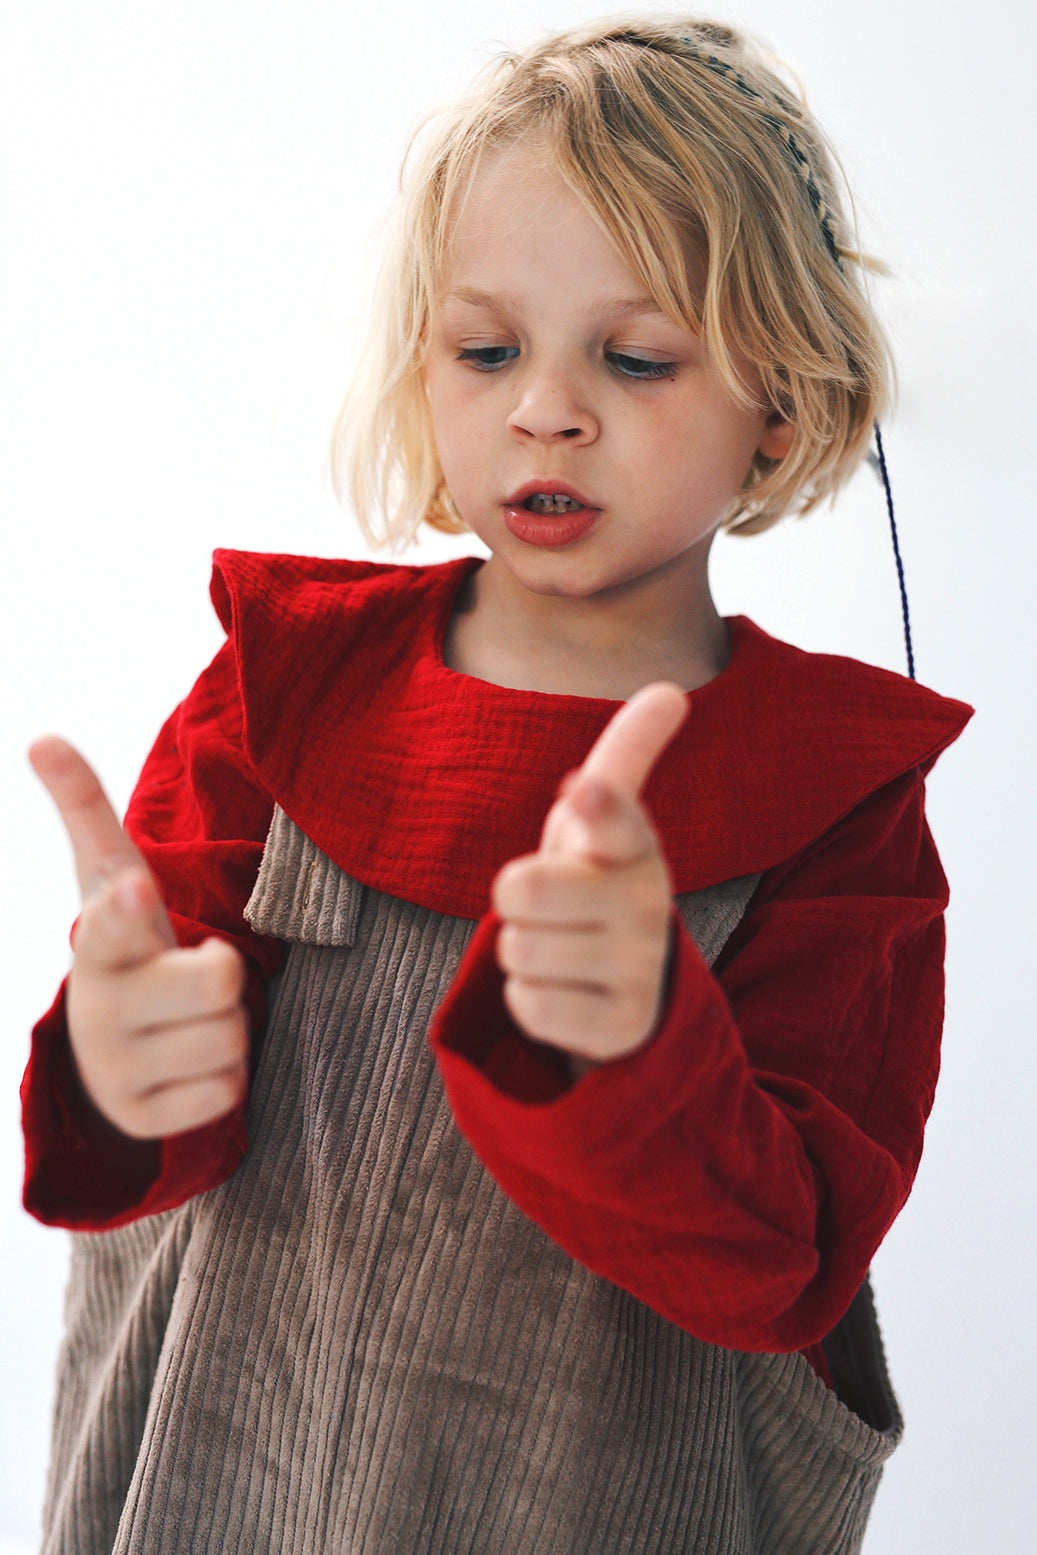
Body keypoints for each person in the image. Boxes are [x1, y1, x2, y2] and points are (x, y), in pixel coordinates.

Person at [22, 15, 972, 1555]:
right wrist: (125, 1063)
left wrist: (631, 1045)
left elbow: (783, 1261)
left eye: (637, 354)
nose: (544, 406)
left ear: (781, 405)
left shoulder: (835, 801)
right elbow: (135, 1145)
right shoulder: (279, 686)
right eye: (485, 349)